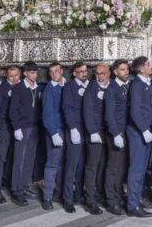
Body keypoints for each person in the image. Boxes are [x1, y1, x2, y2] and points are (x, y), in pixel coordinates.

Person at [126, 56, 152, 217]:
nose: (151, 66)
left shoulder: (146, 83)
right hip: (138, 132)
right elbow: (135, 111)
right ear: (141, 69)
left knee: (142, 169)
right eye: (148, 64)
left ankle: (136, 200)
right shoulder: (137, 85)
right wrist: (144, 130)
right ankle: (132, 206)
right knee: (136, 170)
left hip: (145, 130)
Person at [9, 61, 42, 205]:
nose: (35, 75)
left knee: (29, 159)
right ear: (25, 73)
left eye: (36, 72)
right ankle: (16, 190)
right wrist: (16, 128)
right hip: (22, 128)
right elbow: (13, 110)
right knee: (19, 161)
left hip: (34, 128)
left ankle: (24, 186)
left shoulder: (38, 88)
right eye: (32, 72)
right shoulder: (19, 88)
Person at [0, 65, 20, 203]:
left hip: (17, 127)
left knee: (12, 157)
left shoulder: (20, 87)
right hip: (3, 126)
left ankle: (7, 181)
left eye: (16, 75)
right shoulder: (2, 89)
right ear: (6, 76)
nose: (13, 78)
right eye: (10, 76)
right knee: (0, 158)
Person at [61, 61, 89, 213]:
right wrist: (72, 128)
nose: (84, 73)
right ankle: (68, 199)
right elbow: (67, 108)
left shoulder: (89, 86)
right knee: (71, 165)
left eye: (85, 71)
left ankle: (79, 194)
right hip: (75, 129)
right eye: (80, 71)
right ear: (74, 73)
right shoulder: (70, 87)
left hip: (87, 129)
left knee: (82, 165)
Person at [83, 63, 110, 215]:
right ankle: (90, 201)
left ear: (109, 73)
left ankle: (100, 194)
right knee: (92, 166)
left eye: (103, 73)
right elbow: (87, 111)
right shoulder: (91, 88)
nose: (100, 76)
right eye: (98, 74)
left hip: (108, 132)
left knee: (104, 164)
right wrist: (92, 131)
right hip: (95, 132)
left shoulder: (111, 86)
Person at [104, 59, 130, 215]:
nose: (125, 72)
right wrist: (115, 134)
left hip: (126, 131)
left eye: (127, 69)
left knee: (122, 167)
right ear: (115, 72)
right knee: (113, 168)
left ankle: (119, 195)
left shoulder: (127, 86)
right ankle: (111, 201)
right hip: (116, 132)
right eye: (122, 69)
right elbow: (109, 115)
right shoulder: (111, 88)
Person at [41, 62, 66, 210]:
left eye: (56, 71)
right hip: (56, 129)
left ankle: (59, 192)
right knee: (52, 164)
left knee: (63, 164)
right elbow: (47, 114)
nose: (54, 74)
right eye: (51, 72)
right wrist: (53, 133)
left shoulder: (67, 86)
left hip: (68, 130)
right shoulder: (49, 90)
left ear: (62, 71)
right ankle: (47, 197)